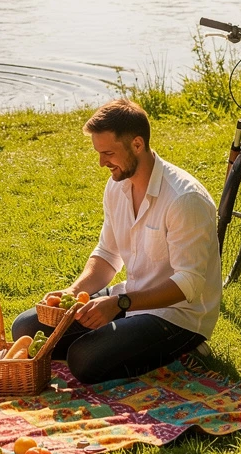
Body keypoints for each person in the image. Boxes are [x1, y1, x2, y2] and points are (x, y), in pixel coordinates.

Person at [11, 98, 221, 384]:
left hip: (178, 316)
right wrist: (73, 293)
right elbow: (108, 254)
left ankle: (184, 349)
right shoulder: (117, 186)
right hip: (129, 300)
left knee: (84, 360)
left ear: (137, 144)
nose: (101, 163)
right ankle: (125, 341)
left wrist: (119, 303)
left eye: (108, 153)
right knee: (27, 327)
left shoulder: (185, 200)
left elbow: (189, 284)